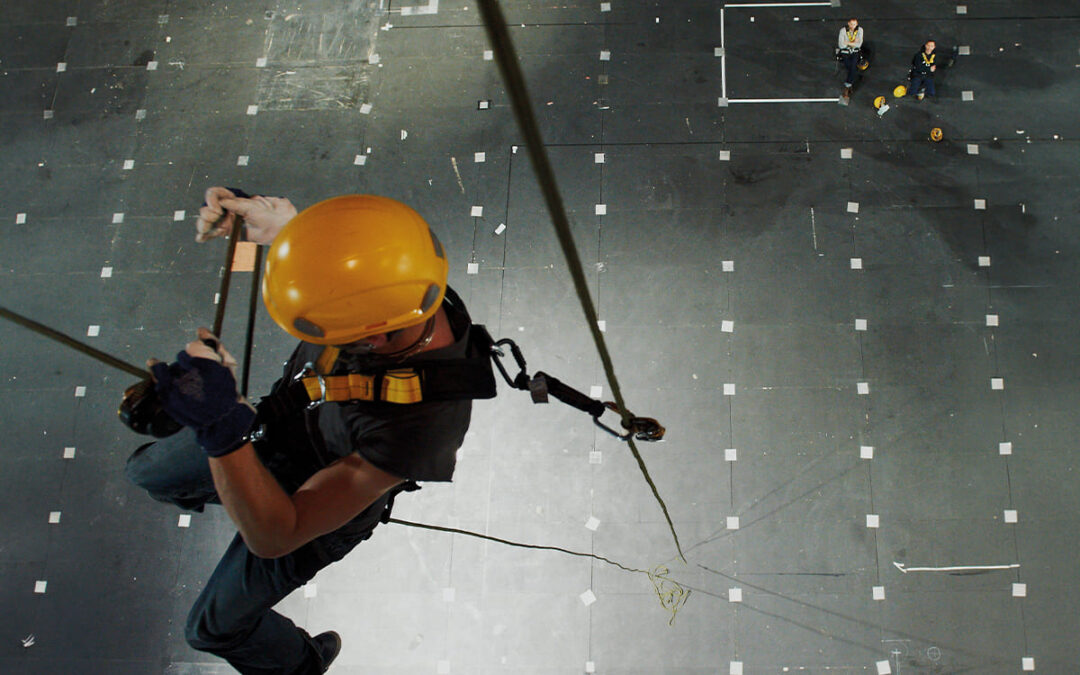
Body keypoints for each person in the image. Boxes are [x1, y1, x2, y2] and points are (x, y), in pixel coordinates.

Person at [125, 187, 478, 674]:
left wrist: (221, 430)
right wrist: (284, 236)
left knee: (210, 629)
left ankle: (299, 663)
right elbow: (355, 267)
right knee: (146, 474)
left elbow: (276, 535)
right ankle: (233, 491)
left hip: (307, 507)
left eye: (322, 333)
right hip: (272, 431)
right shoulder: (404, 286)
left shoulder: (421, 427)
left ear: (370, 336)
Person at [837, 18, 864, 99]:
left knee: (853, 68)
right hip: (845, 52)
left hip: (855, 52)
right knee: (850, 67)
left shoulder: (860, 30)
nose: (853, 26)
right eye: (851, 24)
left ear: (857, 24)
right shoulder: (843, 30)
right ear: (848, 23)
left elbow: (859, 44)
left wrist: (847, 43)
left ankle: (847, 86)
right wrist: (853, 43)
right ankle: (850, 84)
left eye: (855, 24)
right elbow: (841, 45)